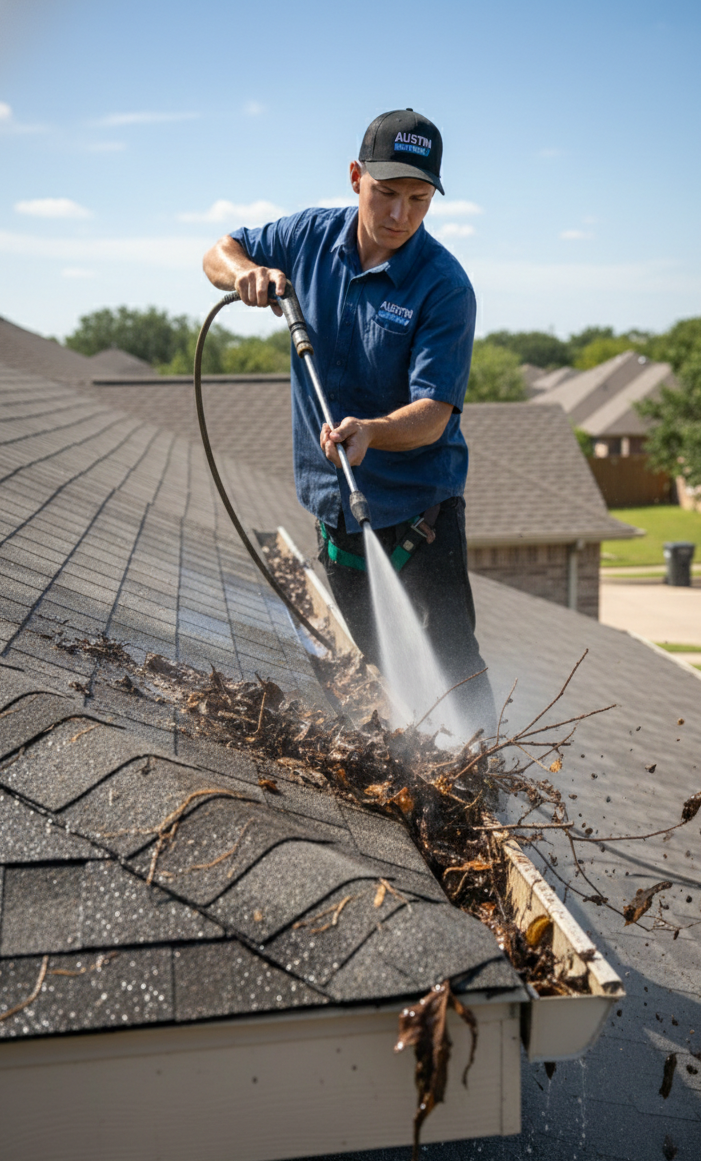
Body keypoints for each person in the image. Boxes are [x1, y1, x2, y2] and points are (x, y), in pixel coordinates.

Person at [203, 108, 495, 737]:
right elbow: (219, 251)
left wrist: (373, 431)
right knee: (377, 661)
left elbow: (433, 414)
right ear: (356, 177)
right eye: (386, 193)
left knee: (451, 660)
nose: (400, 215)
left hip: (420, 512)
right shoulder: (309, 236)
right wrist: (245, 273)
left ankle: (480, 763)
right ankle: (414, 758)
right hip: (334, 502)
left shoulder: (445, 287)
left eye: (419, 200)